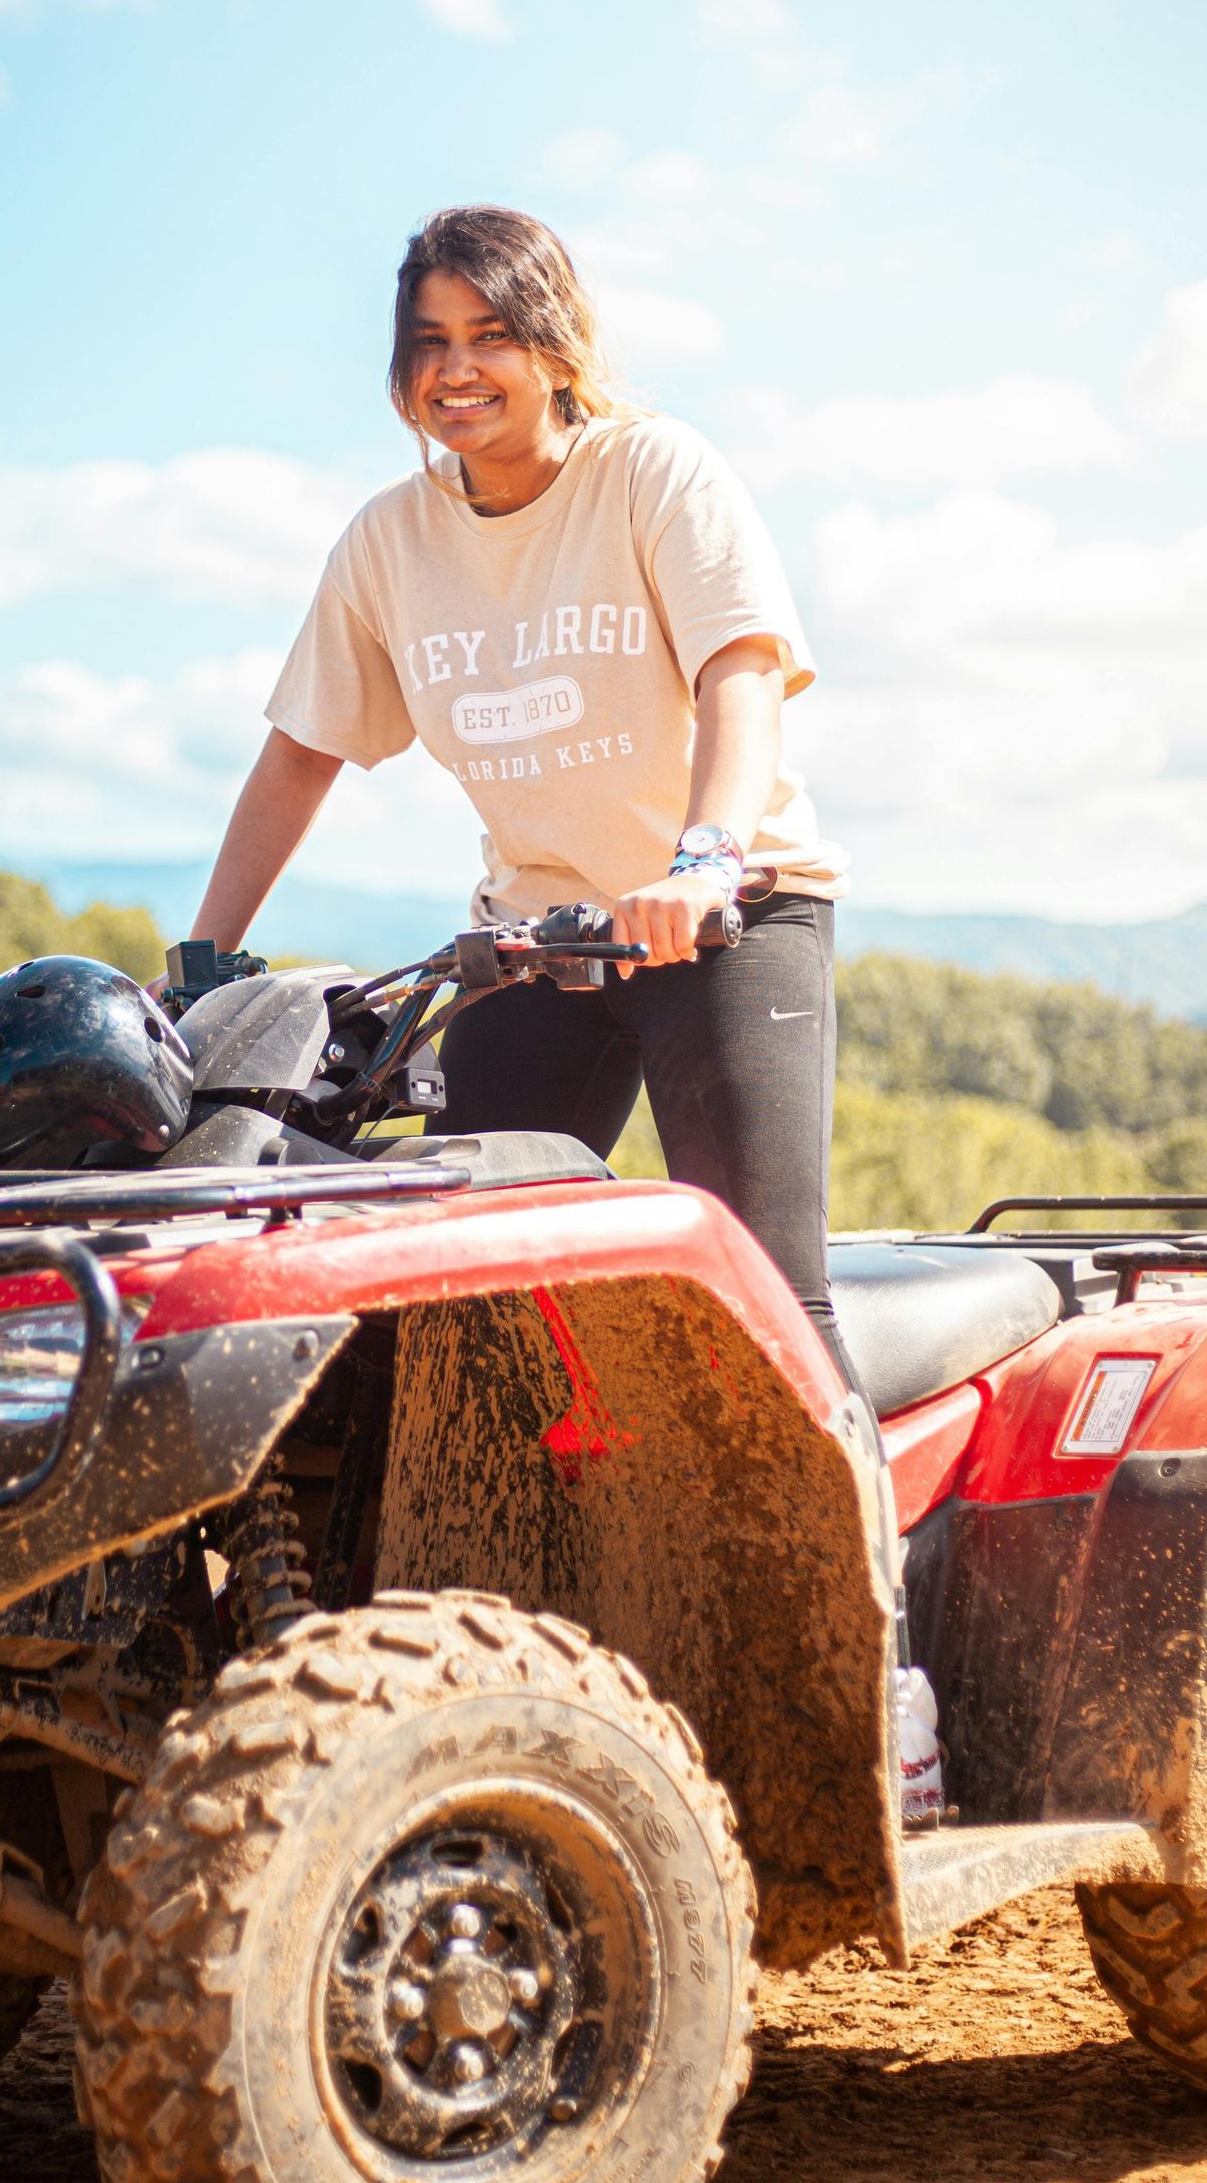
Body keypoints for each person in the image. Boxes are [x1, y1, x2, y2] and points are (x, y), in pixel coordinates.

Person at [185, 204, 852, 1370]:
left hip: (726, 919)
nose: (457, 370)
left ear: (556, 349)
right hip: (539, 944)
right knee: (458, 1302)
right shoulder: (389, 542)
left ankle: (859, 1558)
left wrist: (704, 862)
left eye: (488, 335)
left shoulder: (652, 470)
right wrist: (198, 968)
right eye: (430, 342)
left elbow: (739, 672)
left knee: (767, 1294)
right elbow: (301, 753)